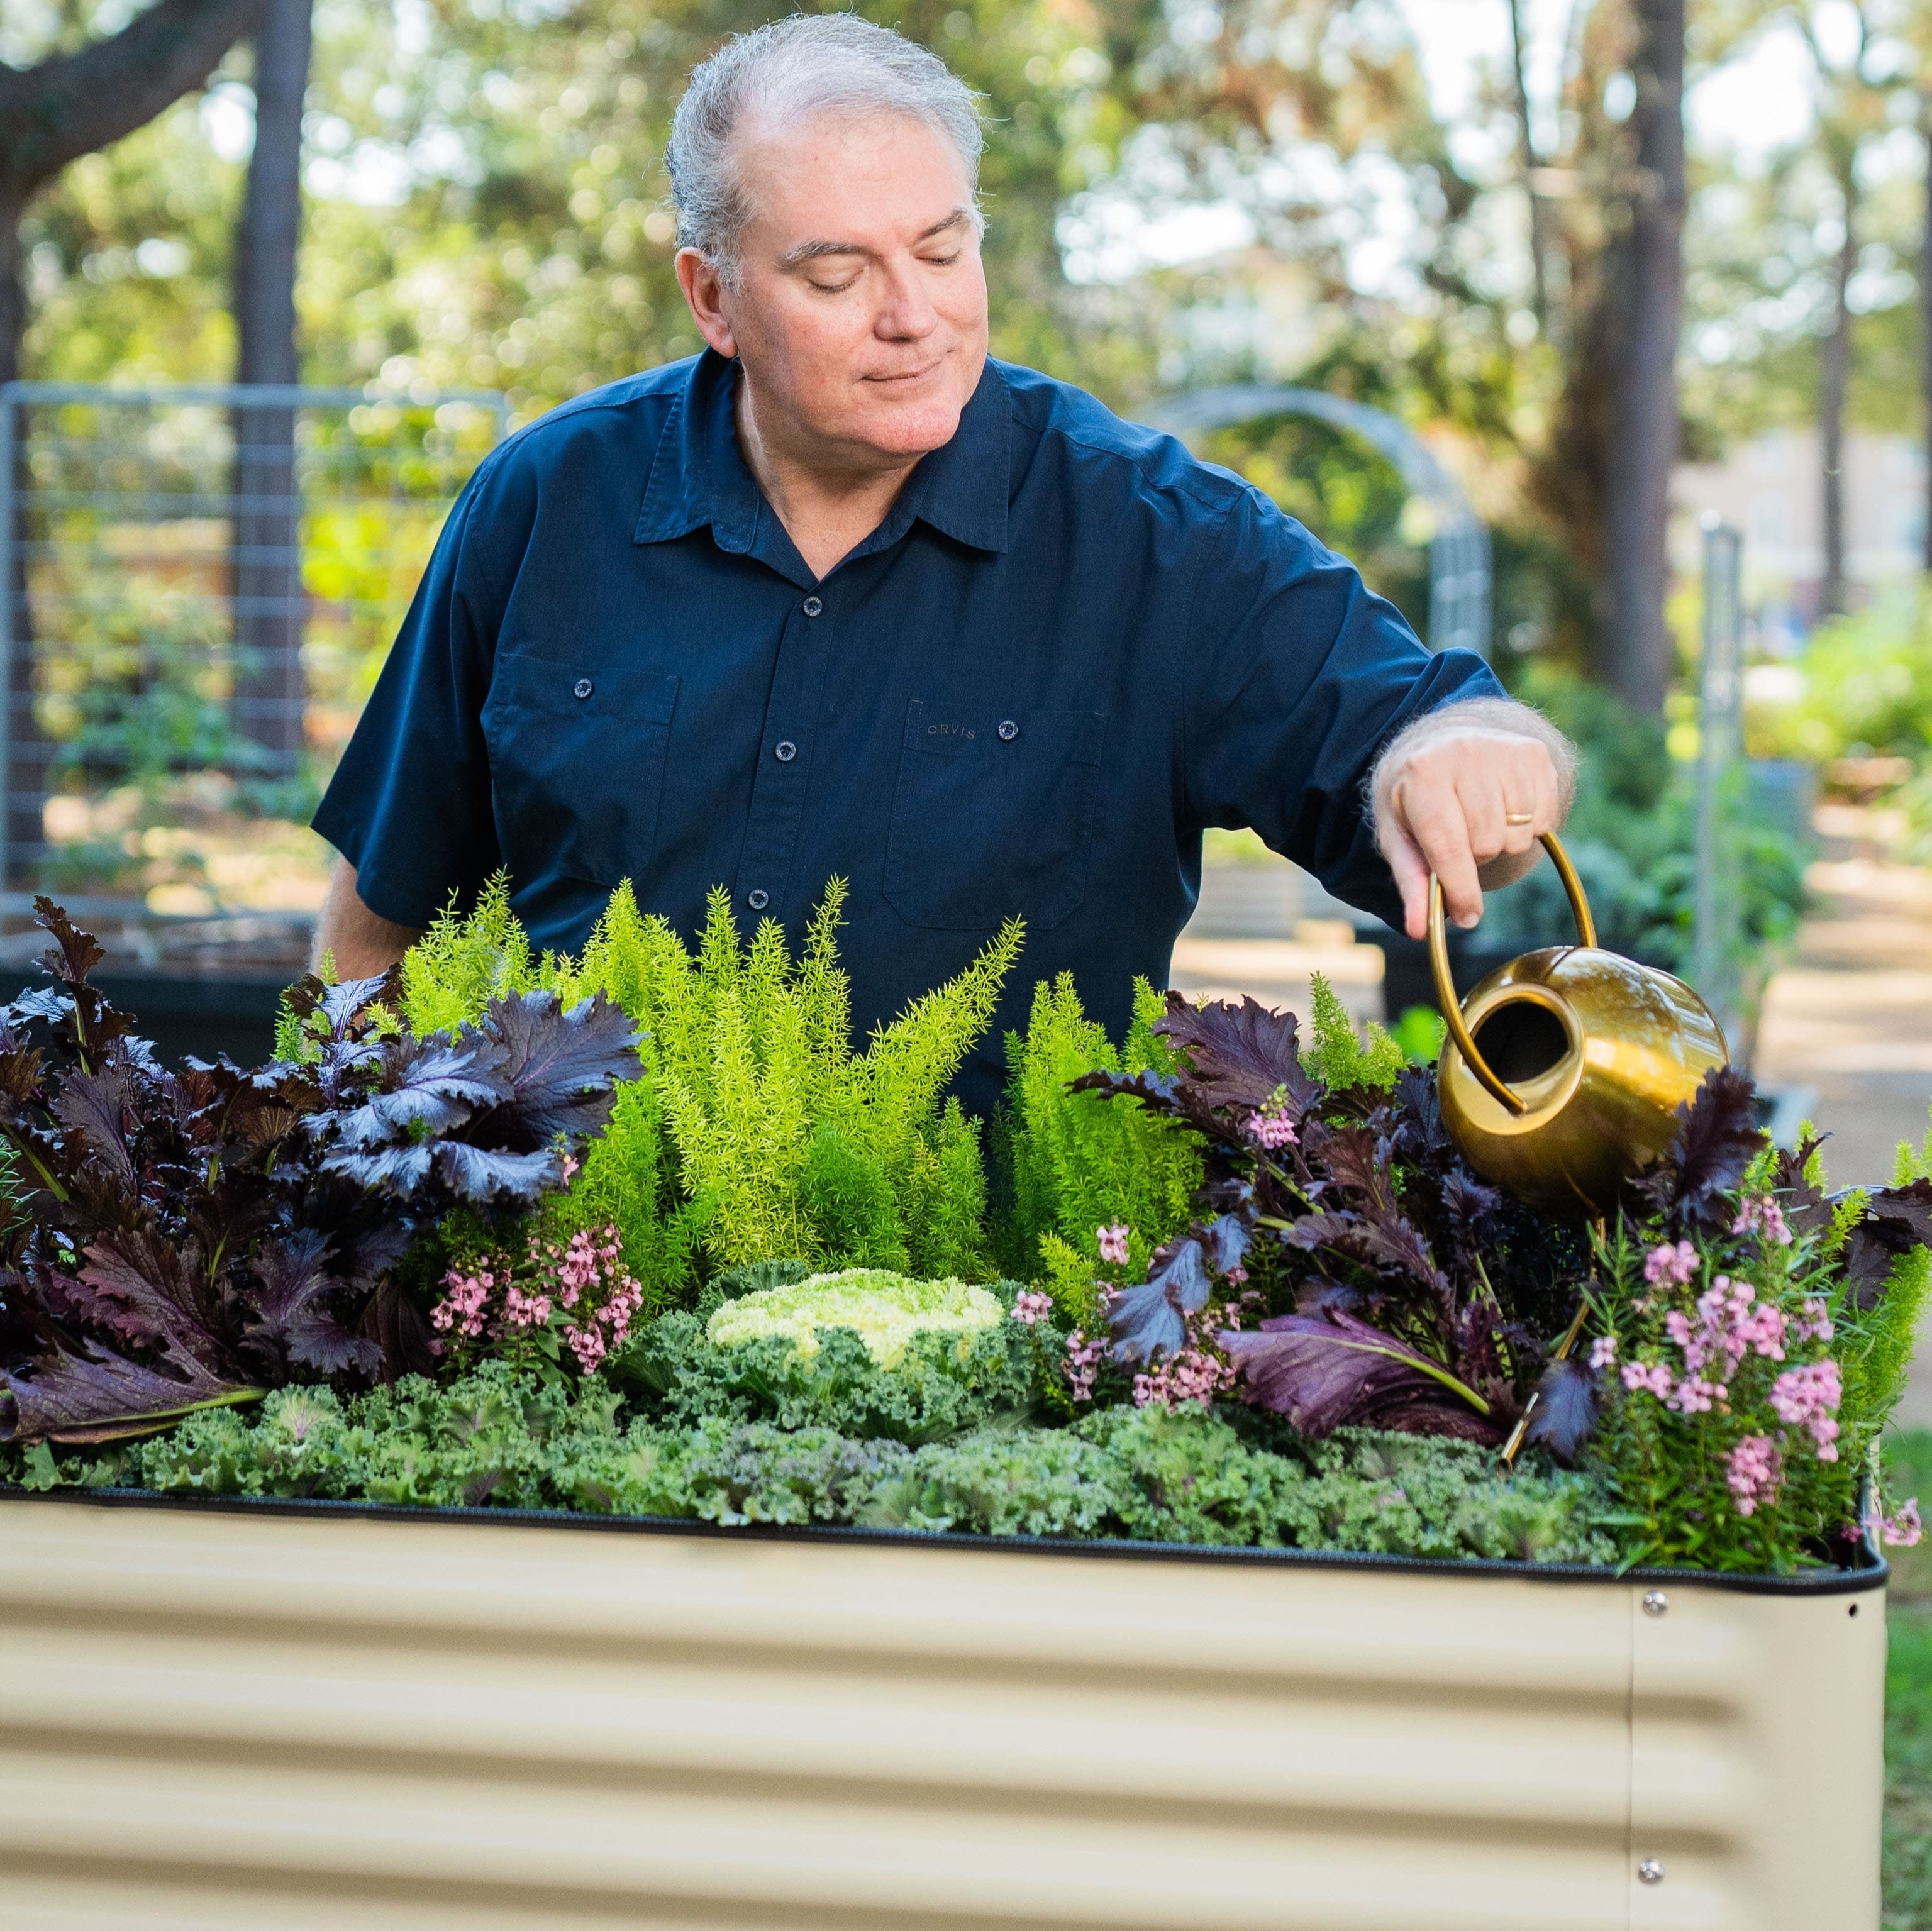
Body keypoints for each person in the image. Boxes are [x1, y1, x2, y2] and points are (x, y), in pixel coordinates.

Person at [313, 13, 1572, 1113]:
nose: (914, 314)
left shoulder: (1154, 537)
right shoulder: (547, 501)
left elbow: (1442, 749)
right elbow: (383, 919)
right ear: (713, 296)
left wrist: (1475, 765)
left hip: (997, 1331)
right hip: (587, 1288)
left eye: (941, 247)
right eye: (837, 271)